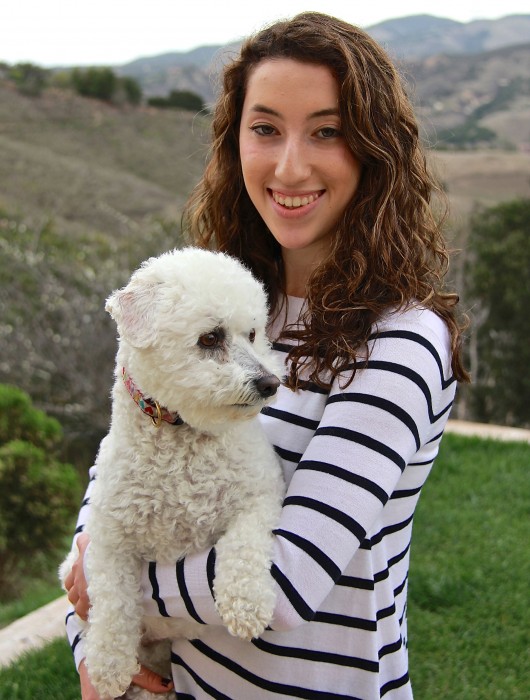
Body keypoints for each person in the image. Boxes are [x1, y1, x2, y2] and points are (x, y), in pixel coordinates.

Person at [64, 11, 469, 699]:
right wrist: (96, 647)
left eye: (326, 131)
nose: (289, 165)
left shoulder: (400, 338)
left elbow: (282, 588)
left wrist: (110, 594)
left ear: (374, 147)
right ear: (234, 143)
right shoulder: (229, 307)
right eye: (265, 128)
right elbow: (113, 484)